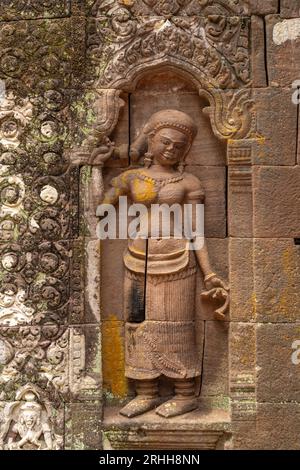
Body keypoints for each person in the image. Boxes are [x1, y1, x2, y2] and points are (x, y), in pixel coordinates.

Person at [98, 110, 229, 418]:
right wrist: (94, 167)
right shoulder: (131, 177)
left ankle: (185, 394)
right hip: (136, 261)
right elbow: (101, 209)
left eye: (180, 146)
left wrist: (209, 273)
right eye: (166, 142)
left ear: (187, 150)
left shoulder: (188, 182)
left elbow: (196, 231)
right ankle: (147, 392)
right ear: (151, 139)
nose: (171, 150)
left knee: (177, 326)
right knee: (137, 325)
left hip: (178, 262)